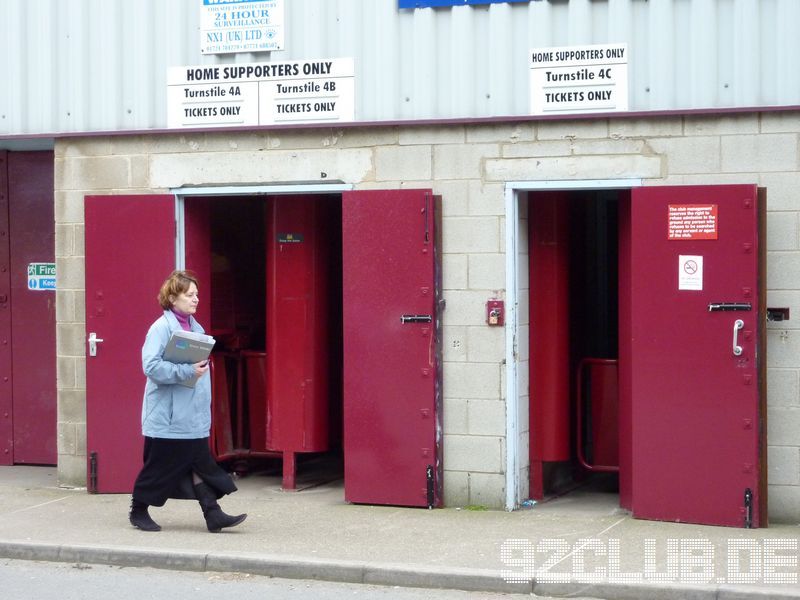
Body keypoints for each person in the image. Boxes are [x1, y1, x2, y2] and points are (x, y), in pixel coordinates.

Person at [128, 270, 247, 533]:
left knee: (199, 463)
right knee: (160, 465)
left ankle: (212, 514)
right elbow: (151, 366)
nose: (196, 299)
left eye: (197, 295)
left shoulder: (196, 328)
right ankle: (138, 510)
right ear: (173, 298)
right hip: (168, 416)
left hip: (191, 416)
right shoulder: (160, 328)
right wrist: (186, 371)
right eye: (190, 295)